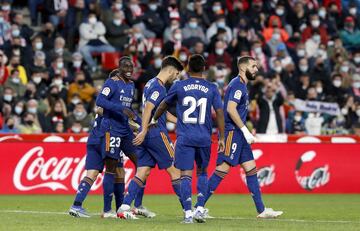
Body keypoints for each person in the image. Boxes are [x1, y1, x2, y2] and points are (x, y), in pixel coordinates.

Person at [199, 56, 283, 218]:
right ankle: (198, 207)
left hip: (240, 134)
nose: (256, 70)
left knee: (251, 169)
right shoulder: (237, 85)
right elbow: (230, 109)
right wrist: (245, 130)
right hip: (233, 132)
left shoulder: (242, 86)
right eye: (254, 66)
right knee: (222, 170)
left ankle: (261, 210)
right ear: (243, 68)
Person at [150, 54, 225, 223]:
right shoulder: (212, 87)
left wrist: (154, 119)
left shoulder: (179, 85)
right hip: (204, 137)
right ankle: (199, 208)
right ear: (204, 68)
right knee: (203, 172)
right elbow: (220, 112)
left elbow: (163, 104)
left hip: (185, 137)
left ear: (189, 68)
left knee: (185, 175)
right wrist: (222, 137)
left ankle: (188, 214)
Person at [117, 56, 184, 219]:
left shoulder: (150, 83)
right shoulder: (159, 87)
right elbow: (148, 108)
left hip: (148, 133)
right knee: (175, 170)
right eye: (176, 74)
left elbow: (161, 112)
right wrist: (144, 130)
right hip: (155, 133)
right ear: (170, 70)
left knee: (143, 171)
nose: (176, 77)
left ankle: (124, 207)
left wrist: (181, 122)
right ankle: (189, 208)